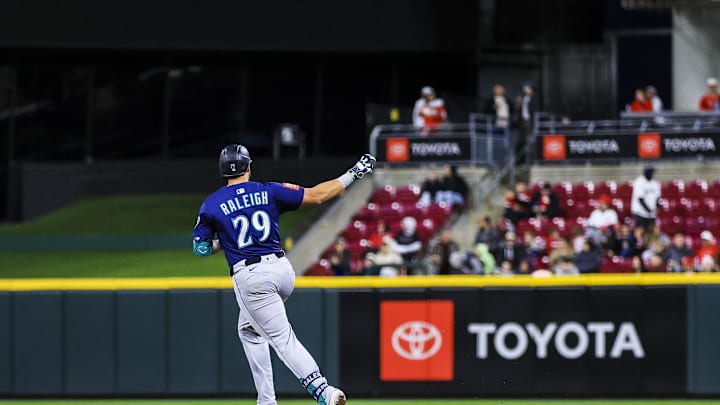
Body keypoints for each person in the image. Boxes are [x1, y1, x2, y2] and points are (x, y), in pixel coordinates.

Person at [192, 144, 376, 405]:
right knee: (248, 331)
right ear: (249, 167)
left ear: (223, 172)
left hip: (252, 277)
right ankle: (266, 401)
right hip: (282, 271)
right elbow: (319, 195)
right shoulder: (268, 190)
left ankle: (323, 391)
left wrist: (223, 238)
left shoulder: (212, 204)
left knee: (282, 339)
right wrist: (355, 172)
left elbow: (200, 249)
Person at [631, 166, 661, 232]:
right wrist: (648, 210)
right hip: (640, 213)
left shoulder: (655, 183)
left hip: (651, 214)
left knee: (651, 233)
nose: (654, 174)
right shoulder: (639, 181)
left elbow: (658, 197)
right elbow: (640, 199)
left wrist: (657, 207)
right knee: (640, 232)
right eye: (653, 173)